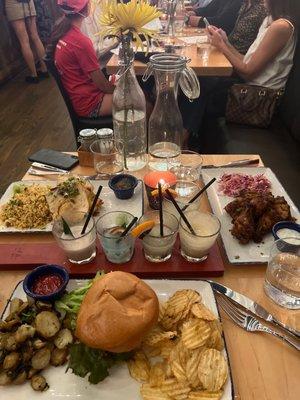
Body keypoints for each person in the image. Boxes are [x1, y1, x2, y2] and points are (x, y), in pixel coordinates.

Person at [180, 0, 298, 140]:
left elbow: (248, 70)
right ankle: (185, 140)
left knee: (197, 88)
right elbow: (246, 60)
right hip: (248, 88)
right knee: (196, 83)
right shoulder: (271, 20)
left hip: (259, 98)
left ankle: (183, 141)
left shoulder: (282, 26)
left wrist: (222, 46)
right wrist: (225, 42)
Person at [47, 0, 114, 118]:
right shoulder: (81, 42)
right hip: (91, 104)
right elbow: (102, 85)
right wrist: (123, 90)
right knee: (142, 99)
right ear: (87, 8)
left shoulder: (61, 32)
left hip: (81, 97)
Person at [5, 0, 49, 83]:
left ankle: (34, 75)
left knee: (24, 41)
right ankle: (45, 70)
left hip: (13, 4)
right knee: (36, 37)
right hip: (29, 3)